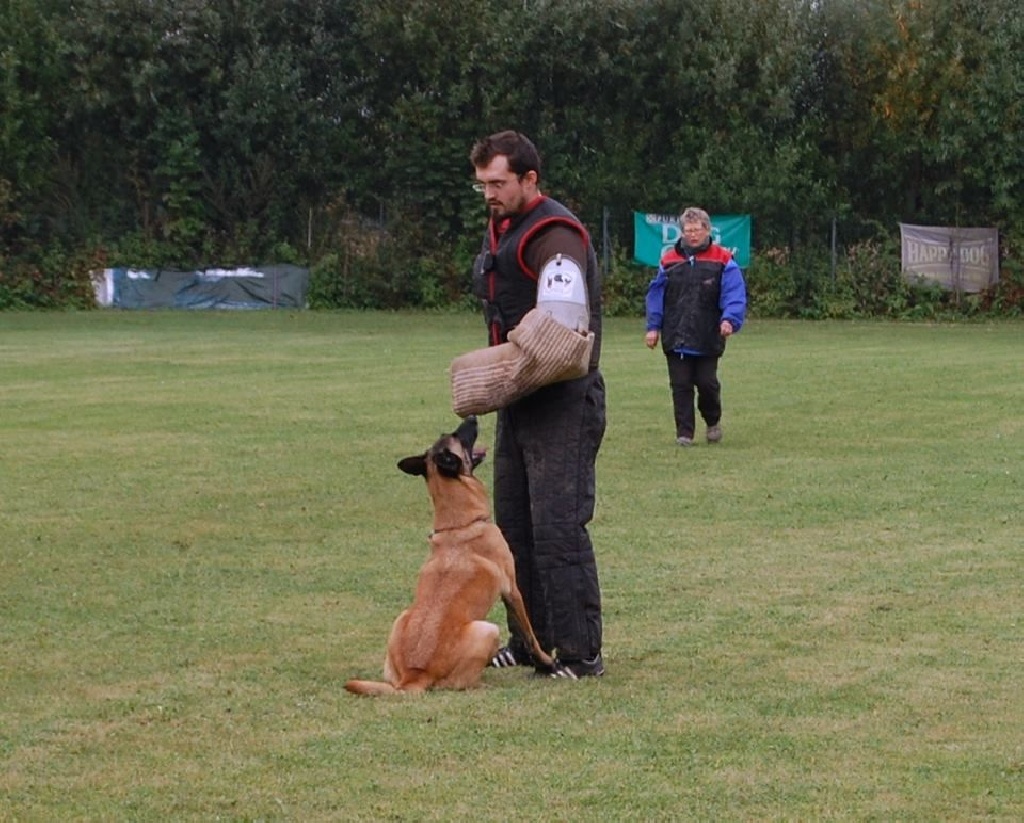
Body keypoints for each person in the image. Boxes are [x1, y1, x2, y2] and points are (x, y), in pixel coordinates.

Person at [462, 130, 606, 679]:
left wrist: (497, 372)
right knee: (515, 527)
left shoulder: (555, 235)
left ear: (529, 179)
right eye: (482, 186)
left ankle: (579, 652)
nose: (489, 195)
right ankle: (532, 643)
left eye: (498, 183)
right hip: (519, 401)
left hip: (563, 401)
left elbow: (563, 331)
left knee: (558, 528)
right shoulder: (503, 225)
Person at [644, 206, 747, 446]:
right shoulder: (669, 260)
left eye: (696, 230)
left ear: (707, 230)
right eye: (687, 230)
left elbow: (734, 292)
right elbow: (656, 294)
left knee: (706, 383)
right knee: (680, 385)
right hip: (675, 333)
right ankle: (684, 434)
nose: (692, 235)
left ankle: (712, 420)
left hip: (707, 334)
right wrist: (653, 326)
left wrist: (729, 319)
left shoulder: (723, 259)